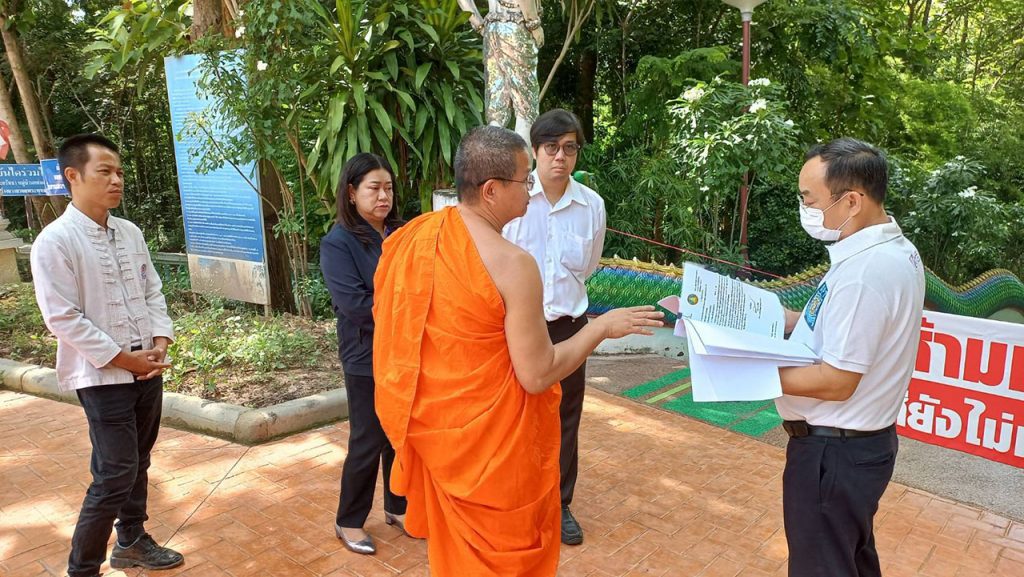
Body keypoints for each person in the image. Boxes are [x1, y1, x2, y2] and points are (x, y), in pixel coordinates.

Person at [372, 125, 662, 576]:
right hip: (494, 453)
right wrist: (602, 327)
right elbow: (538, 372)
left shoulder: (415, 237)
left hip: (441, 436)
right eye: (524, 180)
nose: (531, 188)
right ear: (491, 190)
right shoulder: (513, 264)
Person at [30, 133, 182, 577]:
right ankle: (82, 568)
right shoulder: (55, 241)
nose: (116, 180)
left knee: (139, 460)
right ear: (72, 176)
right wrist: (123, 358)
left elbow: (152, 290)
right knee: (115, 472)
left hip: (147, 369)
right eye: (105, 171)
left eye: (119, 172)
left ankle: (131, 540)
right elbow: (62, 317)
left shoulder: (130, 232)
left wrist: (160, 341)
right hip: (101, 376)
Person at [777, 138, 925, 577]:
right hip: (854, 450)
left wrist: (745, 372)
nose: (805, 208)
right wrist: (774, 318)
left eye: (810, 200)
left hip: (832, 455)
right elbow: (837, 327)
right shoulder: (887, 250)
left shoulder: (866, 272)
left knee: (823, 566)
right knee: (850, 560)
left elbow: (838, 380)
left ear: (852, 201)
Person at [502, 108, 605, 546]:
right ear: (535, 151)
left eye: (569, 147)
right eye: (551, 147)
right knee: (513, 416)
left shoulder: (592, 206)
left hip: (568, 327)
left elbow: (589, 266)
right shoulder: (513, 201)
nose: (560, 156)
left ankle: (559, 504)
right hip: (516, 326)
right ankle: (515, 502)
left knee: (566, 418)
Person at [320, 153, 408, 555]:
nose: (383, 195)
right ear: (352, 193)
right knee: (368, 438)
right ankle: (349, 520)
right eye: (374, 188)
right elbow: (356, 305)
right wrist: (410, 311)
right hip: (365, 355)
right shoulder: (338, 242)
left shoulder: (400, 233)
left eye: (388, 187)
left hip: (404, 352)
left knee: (399, 435)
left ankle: (397, 506)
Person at [457, 0, 544, 146]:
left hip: (492, 29)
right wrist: (534, 24)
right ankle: (522, 160)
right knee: (526, 106)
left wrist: (479, 24)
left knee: (496, 107)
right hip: (517, 26)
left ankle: (493, 159)